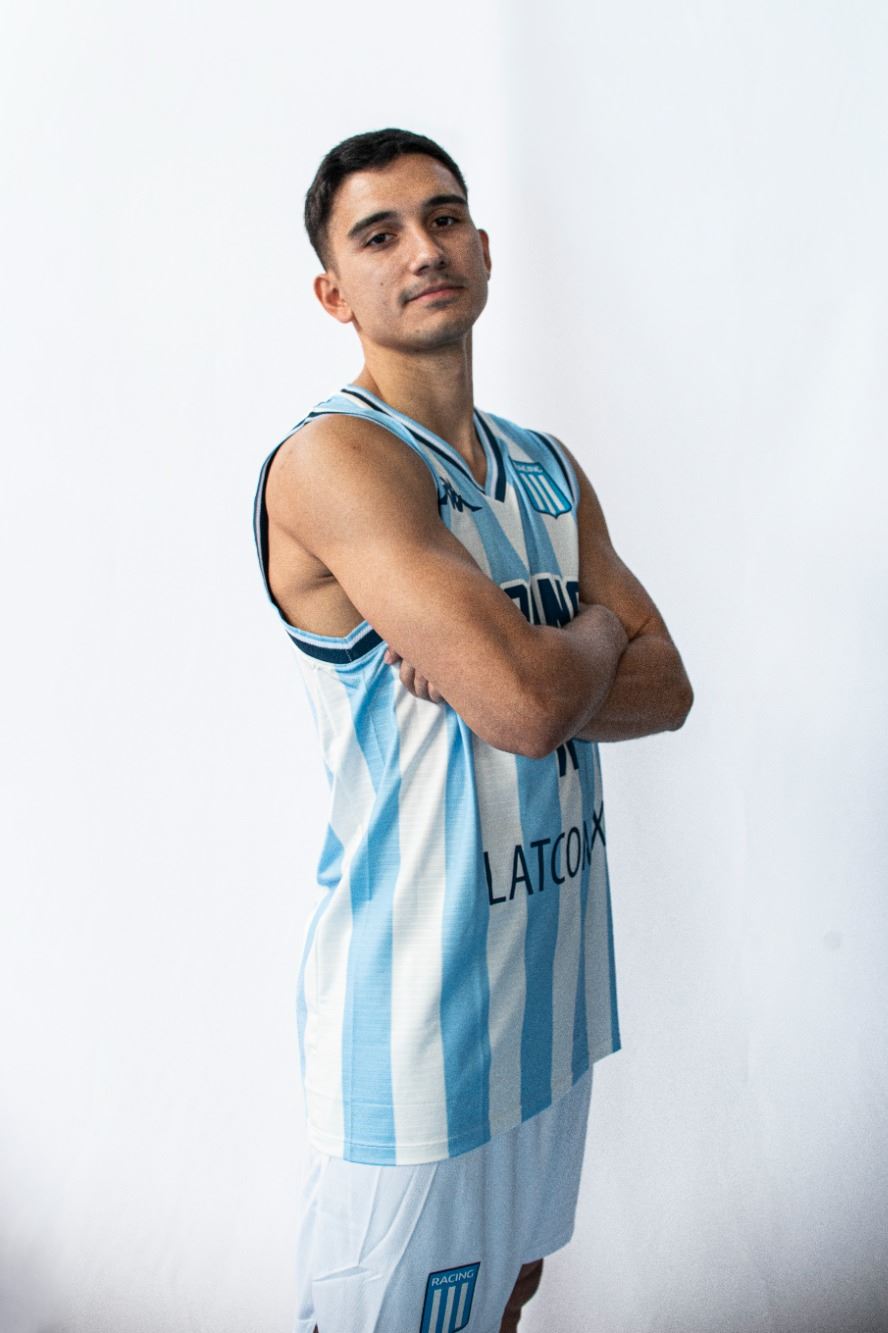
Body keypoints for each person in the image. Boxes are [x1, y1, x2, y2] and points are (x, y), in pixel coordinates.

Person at [252, 128, 693, 1333]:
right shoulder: (334, 459)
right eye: (380, 234)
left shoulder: (547, 468)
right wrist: (586, 637)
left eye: (444, 218)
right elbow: (528, 709)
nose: (424, 249)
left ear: (485, 249)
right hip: (417, 1028)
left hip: (548, 994)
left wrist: (541, 653)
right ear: (334, 293)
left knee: (507, 1297)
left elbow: (671, 686)